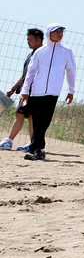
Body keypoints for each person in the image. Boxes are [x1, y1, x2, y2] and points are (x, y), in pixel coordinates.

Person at [19, 24, 76, 161]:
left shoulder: (67, 51)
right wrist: (24, 91)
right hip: (36, 92)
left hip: (53, 92)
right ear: (49, 33)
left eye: (61, 31)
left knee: (44, 121)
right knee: (37, 121)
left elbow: (71, 71)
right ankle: (39, 150)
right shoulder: (40, 52)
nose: (60, 33)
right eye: (56, 31)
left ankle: (34, 149)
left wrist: (71, 90)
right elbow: (30, 72)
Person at [1, 28, 44, 151]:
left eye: (30, 40)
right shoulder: (31, 54)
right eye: (27, 39)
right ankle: (32, 144)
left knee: (22, 114)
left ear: (39, 40)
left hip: (34, 91)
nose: (28, 42)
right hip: (27, 90)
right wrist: (13, 88)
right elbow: (26, 73)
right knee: (29, 116)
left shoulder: (42, 54)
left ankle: (9, 141)